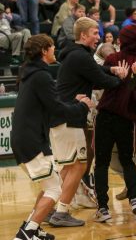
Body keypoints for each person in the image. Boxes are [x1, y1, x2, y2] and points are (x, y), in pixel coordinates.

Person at [11, 34, 93, 240]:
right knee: (55, 189)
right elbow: (56, 108)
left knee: (50, 185)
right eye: (52, 48)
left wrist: (72, 102)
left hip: (25, 137)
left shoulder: (30, 74)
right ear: (44, 51)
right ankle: (27, 233)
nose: (54, 51)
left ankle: (32, 227)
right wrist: (82, 107)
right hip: (31, 140)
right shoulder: (41, 76)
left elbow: (49, 102)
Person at [48, 17, 128, 227]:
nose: (98, 36)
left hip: (63, 118)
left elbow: (98, 70)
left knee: (67, 168)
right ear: (83, 35)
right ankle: (61, 212)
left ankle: (51, 208)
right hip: (70, 117)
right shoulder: (80, 57)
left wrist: (111, 69)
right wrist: (123, 78)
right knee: (79, 166)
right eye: (94, 33)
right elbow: (102, 81)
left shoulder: (77, 54)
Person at [94, 25, 136, 222]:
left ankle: (103, 207)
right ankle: (135, 199)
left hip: (106, 115)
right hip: (128, 118)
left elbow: (98, 80)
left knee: (101, 162)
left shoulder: (113, 60)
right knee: (128, 161)